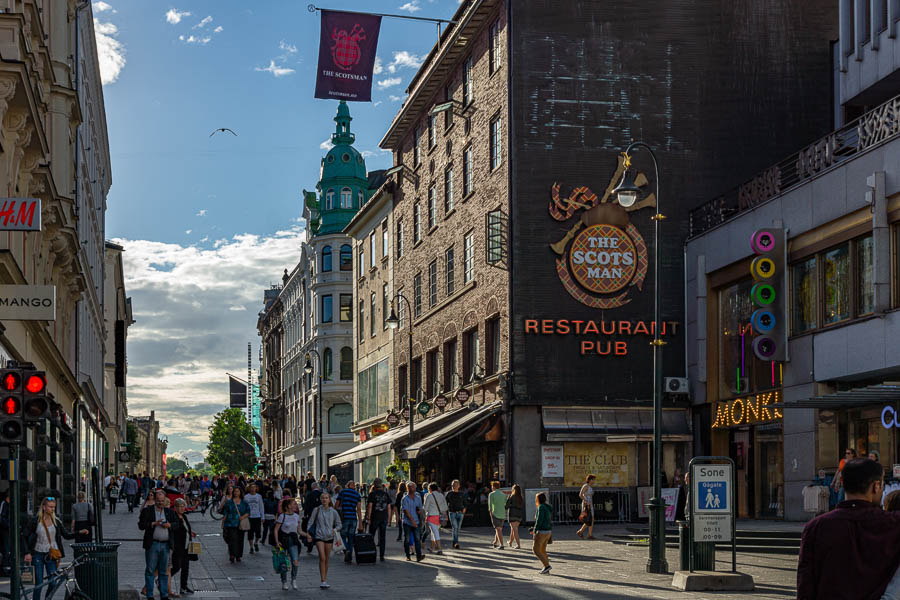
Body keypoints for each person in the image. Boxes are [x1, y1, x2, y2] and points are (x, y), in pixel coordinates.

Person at [797, 458, 900, 599]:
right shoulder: (893, 524)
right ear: (876, 486)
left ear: (843, 484)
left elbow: (805, 586)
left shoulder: (816, 527)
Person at [24, 497, 85, 600]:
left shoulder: (56, 521)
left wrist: (79, 533)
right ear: (44, 507)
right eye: (50, 507)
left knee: (53, 582)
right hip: (38, 554)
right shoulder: (35, 521)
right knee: (39, 583)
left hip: (51, 554)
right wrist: (27, 553)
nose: (53, 509)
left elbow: (66, 535)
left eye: (54, 507)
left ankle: (48, 598)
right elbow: (24, 536)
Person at [138, 490, 177, 600]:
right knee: (150, 570)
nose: (160, 503)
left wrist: (169, 525)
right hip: (153, 544)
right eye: (158, 501)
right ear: (154, 500)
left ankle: (164, 594)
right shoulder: (148, 511)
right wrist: (153, 524)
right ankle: (150, 595)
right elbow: (141, 525)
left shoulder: (169, 512)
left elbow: (177, 524)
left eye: (162, 501)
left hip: (165, 545)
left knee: (164, 571)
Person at [306, 492, 341, 589]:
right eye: (323, 498)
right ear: (320, 500)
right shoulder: (316, 510)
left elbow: (339, 524)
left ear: (329, 500)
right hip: (319, 536)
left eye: (326, 498)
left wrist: (334, 530)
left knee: (326, 559)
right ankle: (323, 580)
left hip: (329, 537)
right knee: (322, 557)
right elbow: (311, 521)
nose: (324, 500)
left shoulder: (333, 512)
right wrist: (308, 533)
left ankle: (325, 578)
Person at [274, 497, 306, 590]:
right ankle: (284, 581)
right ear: (288, 506)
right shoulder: (282, 516)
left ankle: (293, 579)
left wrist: (307, 535)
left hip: (293, 541)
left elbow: (299, 531)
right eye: (294, 504)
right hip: (283, 541)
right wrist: (277, 542)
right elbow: (276, 530)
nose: (296, 505)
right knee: (283, 562)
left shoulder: (296, 516)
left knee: (295, 561)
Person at [171, 498, 196, 596]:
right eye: (180, 506)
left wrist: (190, 532)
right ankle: (161, 580)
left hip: (186, 545)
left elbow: (186, 527)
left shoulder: (184, 516)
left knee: (186, 567)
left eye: (183, 506)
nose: (182, 508)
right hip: (178, 546)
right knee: (177, 566)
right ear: (175, 507)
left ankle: (183, 586)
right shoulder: (174, 517)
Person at [336, 480, 363, 563]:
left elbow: (336, 505)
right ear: (354, 486)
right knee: (351, 538)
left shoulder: (342, 492)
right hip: (353, 518)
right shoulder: (357, 494)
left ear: (347, 485)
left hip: (345, 518)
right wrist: (361, 522)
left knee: (343, 535)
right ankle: (349, 557)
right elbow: (358, 509)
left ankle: (346, 550)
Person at [365, 478, 391, 561]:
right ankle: (382, 556)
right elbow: (389, 507)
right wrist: (389, 519)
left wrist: (368, 517)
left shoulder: (372, 494)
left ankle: (372, 553)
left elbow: (370, 506)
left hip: (374, 517)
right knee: (382, 537)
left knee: (371, 536)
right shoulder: (385, 494)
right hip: (383, 517)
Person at [222, 487, 249, 563]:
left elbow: (248, 511)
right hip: (230, 523)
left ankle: (238, 555)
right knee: (232, 540)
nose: (236, 493)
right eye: (235, 491)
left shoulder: (244, 502)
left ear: (240, 492)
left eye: (238, 491)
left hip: (240, 524)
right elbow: (225, 513)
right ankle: (232, 555)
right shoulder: (229, 502)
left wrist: (242, 517)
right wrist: (223, 522)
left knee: (240, 540)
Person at [401, 481, 425, 562]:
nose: (414, 488)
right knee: (407, 539)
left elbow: (420, 509)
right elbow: (406, 511)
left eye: (414, 487)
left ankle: (419, 556)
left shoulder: (418, 498)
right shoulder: (405, 499)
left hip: (416, 521)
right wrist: (412, 521)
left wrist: (419, 512)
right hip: (407, 522)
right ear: (408, 488)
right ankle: (408, 555)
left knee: (417, 539)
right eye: (412, 487)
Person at [530, 492, 553, 574]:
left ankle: (547, 566)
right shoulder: (547, 507)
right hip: (548, 531)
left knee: (535, 549)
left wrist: (535, 530)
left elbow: (539, 520)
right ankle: (546, 568)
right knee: (543, 550)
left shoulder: (541, 507)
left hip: (542, 531)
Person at [423, 483, 447, 555]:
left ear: (430, 489)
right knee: (434, 532)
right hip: (439, 517)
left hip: (431, 516)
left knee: (435, 533)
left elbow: (425, 508)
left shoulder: (429, 496)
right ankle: (431, 547)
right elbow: (445, 507)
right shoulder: (441, 495)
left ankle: (439, 549)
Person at [445, 480, 467, 550]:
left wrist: (464, 509)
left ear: (459, 486)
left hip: (460, 513)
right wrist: (446, 513)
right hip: (452, 513)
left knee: (458, 528)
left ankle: (454, 542)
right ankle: (456, 543)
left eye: (456, 485)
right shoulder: (449, 494)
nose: (454, 486)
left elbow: (465, 502)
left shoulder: (462, 494)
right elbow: (445, 504)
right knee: (455, 527)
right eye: (453, 485)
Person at [244, 483, 264, 554]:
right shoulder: (246, 497)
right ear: (249, 489)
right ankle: (251, 547)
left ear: (256, 488)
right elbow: (244, 507)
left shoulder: (259, 496)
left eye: (254, 487)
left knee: (258, 533)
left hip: (257, 516)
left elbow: (261, 506)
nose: (252, 489)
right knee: (250, 533)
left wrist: (263, 516)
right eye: (251, 487)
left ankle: (256, 542)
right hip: (249, 517)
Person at [488, 481, 508, 549]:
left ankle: (501, 545)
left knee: (498, 529)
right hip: (502, 514)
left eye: (491, 486)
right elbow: (505, 504)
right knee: (499, 529)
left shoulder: (491, 494)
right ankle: (495, 542)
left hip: (495, 513)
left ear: (493, 487)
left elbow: (490, 506)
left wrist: (491, 515)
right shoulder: (503, 494)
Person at [576, 474, 596, 539]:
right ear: (590, 480)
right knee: (589, 519)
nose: (594, 481)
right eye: (593, 480)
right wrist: (586, 501)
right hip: (586, 504)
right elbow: (580, 494)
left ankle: (582, 532)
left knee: (591, 519)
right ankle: (587, 534)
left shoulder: (590, 487)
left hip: (590, 504)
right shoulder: (585, 486)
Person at [506, 484, 525, 549]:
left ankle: (518, 544)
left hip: (513, 514)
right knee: (513, 529)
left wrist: (508, 499)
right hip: (519, 514)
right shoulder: (521, 497)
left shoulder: (512, 496)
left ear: (513, 490)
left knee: (515, 530)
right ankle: (510, 542)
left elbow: (507, 506)